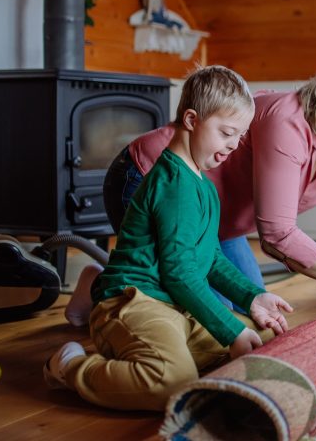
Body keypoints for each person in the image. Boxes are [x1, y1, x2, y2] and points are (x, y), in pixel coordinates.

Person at [67, 44, 316, 326]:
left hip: (216, 220)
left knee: (248, 306)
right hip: (151, 180)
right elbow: (278, 235)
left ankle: (102, 279)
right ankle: (109, 284)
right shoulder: (287, 120)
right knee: (194, 310)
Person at [44, 65, 293, 411]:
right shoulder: (174, 185)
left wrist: (252, 298)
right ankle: (72, 366)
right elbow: (180, 274)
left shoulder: (203, 184)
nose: (234, 146)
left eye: (240, 136)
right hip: (134, 302)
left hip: (174, 306)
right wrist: (230, 333)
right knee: (171, 383)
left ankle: (160, 356)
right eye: (227, 133)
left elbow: (211, 258)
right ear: (192, 120)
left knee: (264, 335)